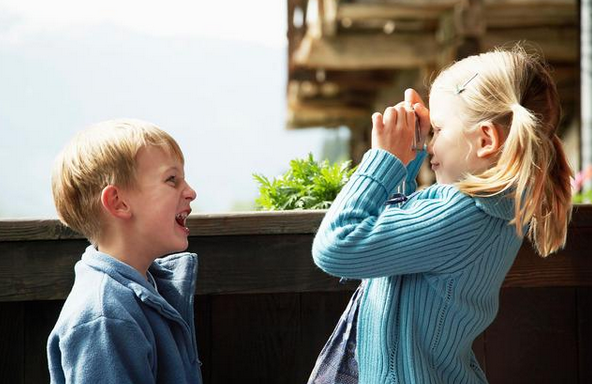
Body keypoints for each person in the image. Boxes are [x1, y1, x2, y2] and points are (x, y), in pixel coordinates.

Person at [308, 46, 572, 383]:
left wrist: (382, 161)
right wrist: (408, 158)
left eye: (439, 131)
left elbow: (337, 246)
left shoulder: (462, 214)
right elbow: (399, 231)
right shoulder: (489, 210)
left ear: (486, 139)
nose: (431, 145)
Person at [47, 119, 202, 384]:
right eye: (172, 180)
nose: (191, 192)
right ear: (118, 203)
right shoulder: (104, 319)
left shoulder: (147, 288)